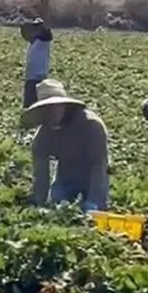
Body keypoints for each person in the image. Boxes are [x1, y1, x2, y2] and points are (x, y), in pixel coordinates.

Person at [20, 79, 109, 211]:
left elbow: (99, 165)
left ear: (64, 105)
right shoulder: (43, 135)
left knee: (91, 213)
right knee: (59, 209)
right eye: (46, 108)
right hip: (65, 181)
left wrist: (93, 201)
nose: (51, 112)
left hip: (92, 179)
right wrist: (39, 201)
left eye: (55, 107)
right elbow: (41, 172)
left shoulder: (91, 125)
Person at [21, 18, 53, 108]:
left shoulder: (43, 41)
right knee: (28, 108)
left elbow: (46, 25)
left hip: (38, 80)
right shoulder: (33, 44)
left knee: (35, 106)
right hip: (30, 80)